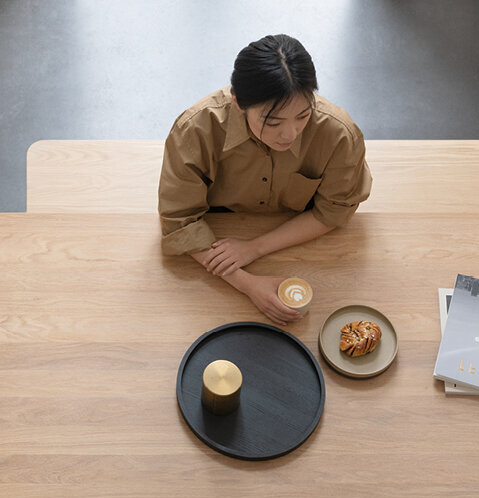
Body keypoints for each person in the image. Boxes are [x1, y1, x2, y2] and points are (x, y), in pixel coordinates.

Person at [158, 34, 372, 324]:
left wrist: (254, 247)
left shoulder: (339, 134)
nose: (290, 134)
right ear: (237, 102)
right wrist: (247, 284)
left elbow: (334, 211)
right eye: (272, 122)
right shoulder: (195, 129)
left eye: (303, 116)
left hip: (304, 249)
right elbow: (179, 222)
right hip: (215, 242)